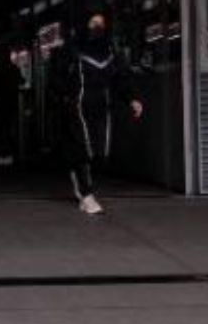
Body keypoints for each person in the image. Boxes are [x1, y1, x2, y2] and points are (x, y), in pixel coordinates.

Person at [50, 12, 143, 214]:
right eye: (93, 23)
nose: (97, 27)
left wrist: (132, 99)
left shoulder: (111, 51)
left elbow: (121, 77)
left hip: (103, 106)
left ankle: (78, 176)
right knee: (83, 147)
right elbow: (56, 76)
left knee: (99, 152)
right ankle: (87, 195)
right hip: (77, 105)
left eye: (101, 23)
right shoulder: (71, 49)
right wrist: (65, 96)